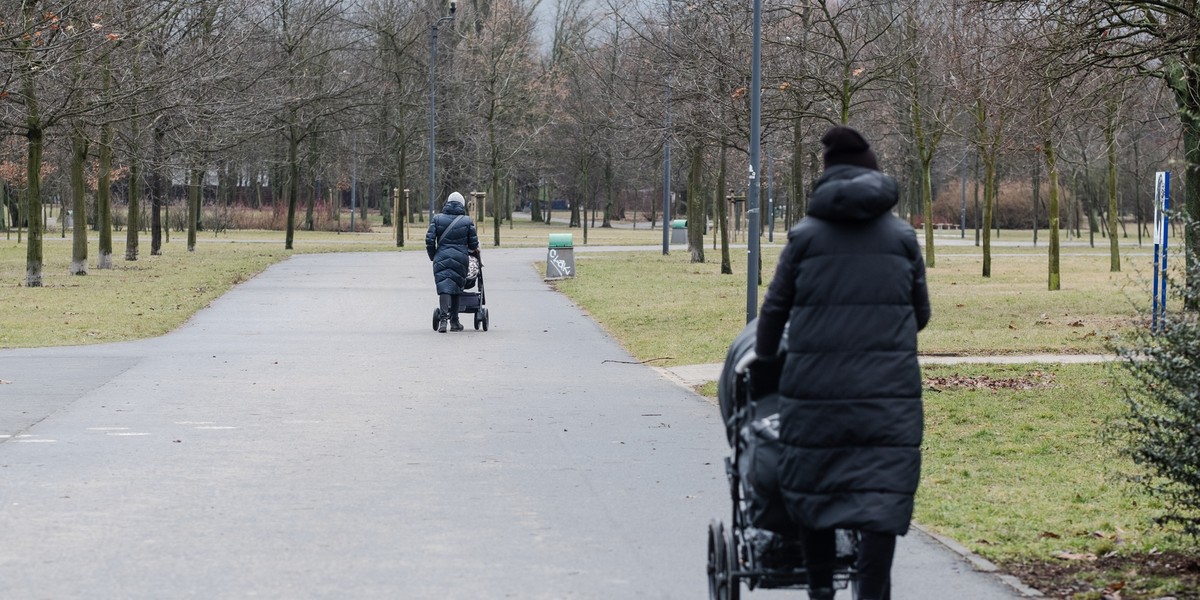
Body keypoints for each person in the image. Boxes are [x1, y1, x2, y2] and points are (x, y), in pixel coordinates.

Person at [754, 126, 931, 600]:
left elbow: (773, 311)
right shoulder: (902, 237)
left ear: (826, 178)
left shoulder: (805, 237)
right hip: (887, 398)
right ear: (875, 173)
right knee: (880, 500)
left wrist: (767, 358)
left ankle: (820, 592)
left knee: (815, 492)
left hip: (814, 394)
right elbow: (922, 315)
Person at [426, 191, 480, 333]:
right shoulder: (467, 221)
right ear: (462, 205)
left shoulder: (437, 219)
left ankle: (443, 321)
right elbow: (473, 244)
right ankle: (454, 322)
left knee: (444, 287)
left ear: (447, 203)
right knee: (456, 288)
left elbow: (429, 239)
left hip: (441, 256)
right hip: (460, 258)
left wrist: (433, 255)